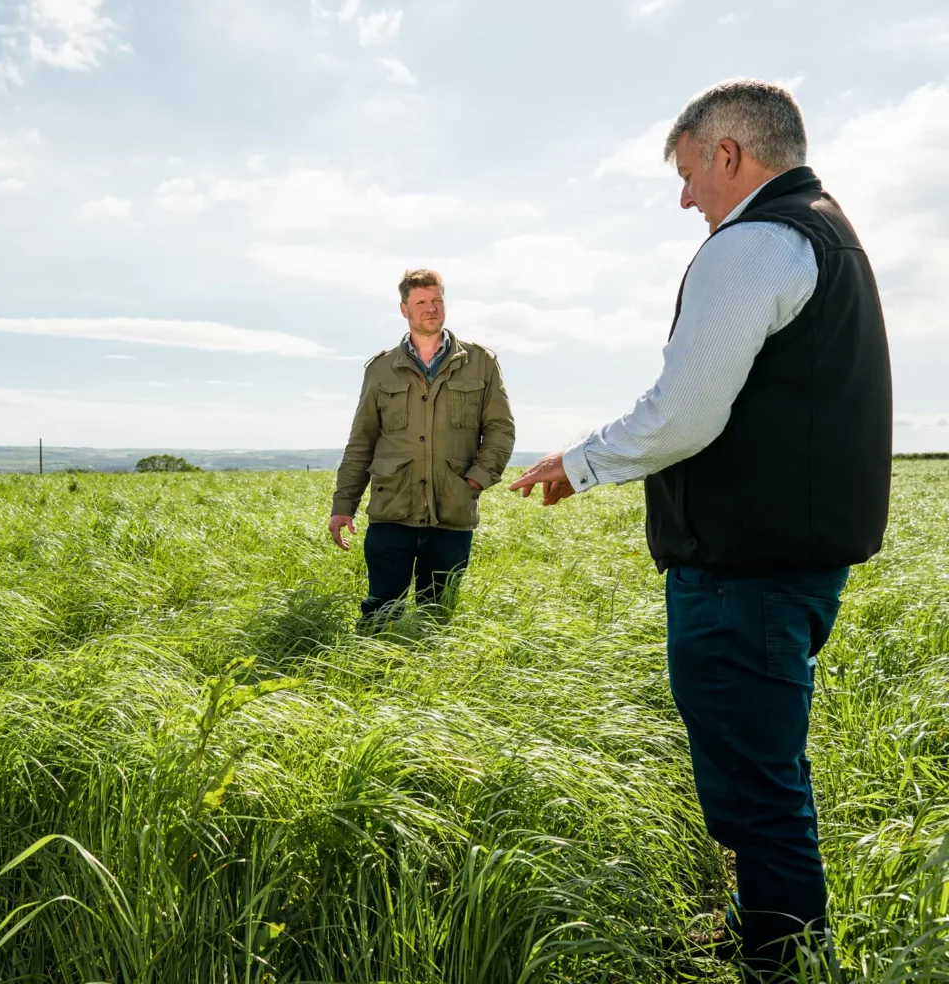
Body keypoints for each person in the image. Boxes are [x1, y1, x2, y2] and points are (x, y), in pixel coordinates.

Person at [510, 79, 892, 981]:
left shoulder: (754, 242)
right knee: (759, 762)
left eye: (687, 175)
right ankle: (760, 923)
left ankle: (782, 960)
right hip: (785, 562)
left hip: (746, 572)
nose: (686, 199)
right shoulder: (827, 234)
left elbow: (684, 412)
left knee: (756, 784)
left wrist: (582, 461)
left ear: (729, 155)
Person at [329, 268, 515, 627]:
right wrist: (343, 506)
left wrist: (473, 482)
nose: (431, 309)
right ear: (404, 310)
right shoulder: (381, 369)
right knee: (381, 615)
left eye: (437, 301)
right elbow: (361, 442)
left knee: (437, 619)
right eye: (421, 303)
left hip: (452, 513)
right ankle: (370, 678)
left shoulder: (480, 362)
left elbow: (500, 430)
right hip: (391, 511)